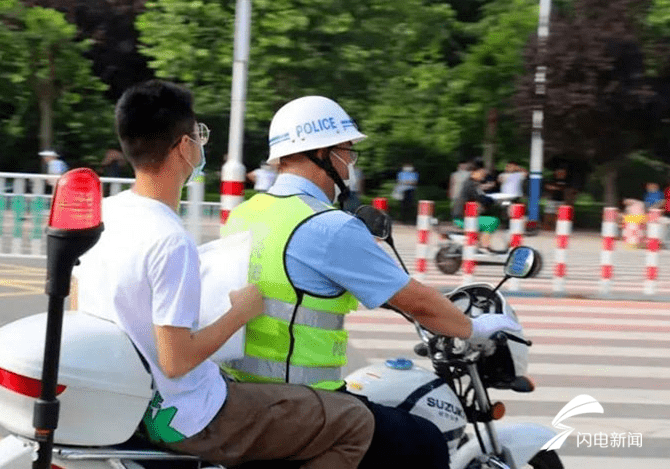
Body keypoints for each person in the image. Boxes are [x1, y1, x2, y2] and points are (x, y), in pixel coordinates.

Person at [72, 81, 374, 469]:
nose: (201, 143)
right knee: (353, 422)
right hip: (187, 417)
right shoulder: (169, 239)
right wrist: (240, 314)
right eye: (199, 134)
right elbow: (176, 362)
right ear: (184, 147)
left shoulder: (105, 214)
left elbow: (79, 308)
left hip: (127, 403)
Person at [221, 95, 522, 469]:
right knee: (425, 441)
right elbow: (417, 301)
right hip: (304, 400)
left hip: (242, 391)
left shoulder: (245, 213)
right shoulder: (327, 225)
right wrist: (472, 327)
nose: (349, 167)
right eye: (347, 152)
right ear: (323, 153)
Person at [452, 161, 500, 252]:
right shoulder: (471, 184)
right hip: (462, 219)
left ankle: (480, 245)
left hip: (462, 217)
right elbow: (481, 198)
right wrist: (494, 201)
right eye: (481, 173)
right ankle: (484, 246)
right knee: (493, 221)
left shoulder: (470, 183)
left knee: (486, 221)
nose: (483, 175)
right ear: (474, 172)